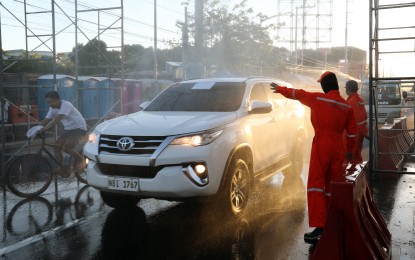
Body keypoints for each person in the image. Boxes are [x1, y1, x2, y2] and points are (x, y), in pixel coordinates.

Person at [270, 71, 357, 244]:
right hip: (338, 149)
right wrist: (350, 150)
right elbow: (352, 132)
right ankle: (333, 222)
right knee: (331, 186)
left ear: (325, 85)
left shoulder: (318, 99)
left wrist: (280, 89)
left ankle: (320, 226)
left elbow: (297, 94)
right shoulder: (346, 106)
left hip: (322, 146)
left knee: (316, 185)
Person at [38, 91, 87, 177]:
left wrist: (45, 128)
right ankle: (61, 168)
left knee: (66, 148)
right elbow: (46, 119)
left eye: (50, 102)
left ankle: (81, 160)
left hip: (79, 129)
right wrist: (37, 129)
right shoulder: (52, 108)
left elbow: (58, 118)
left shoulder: (66, 105)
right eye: (48, 102)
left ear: (58, 100)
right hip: (68, 130)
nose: (49, 104)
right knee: (56, 146)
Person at [345, 80, 368, 168]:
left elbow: (357, 119)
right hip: (359, 134)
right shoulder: (359, 99)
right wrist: (364, 132)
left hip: (353, 134)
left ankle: (349, 177)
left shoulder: (352, 101)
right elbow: (364, 117)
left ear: (348, 90)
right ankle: (358, 175)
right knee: (356, 155)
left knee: (350, 157)